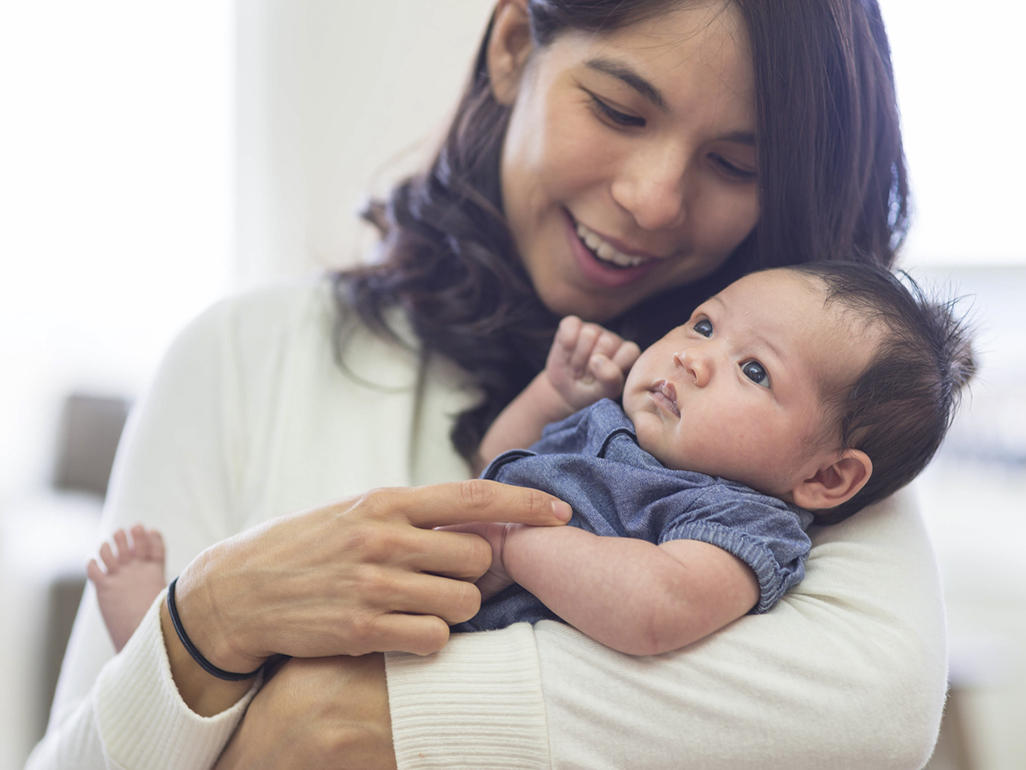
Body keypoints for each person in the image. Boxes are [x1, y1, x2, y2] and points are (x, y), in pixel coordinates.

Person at [28, 1, 948, 768]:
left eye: (736, 165)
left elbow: (875, 712)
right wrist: (207, 619)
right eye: (619, 111)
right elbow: (500, 468)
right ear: (512, 48)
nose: (653, 198)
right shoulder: (240, 354)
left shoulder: (802, 442)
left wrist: (345, 718)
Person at [86, 263, 973, 659]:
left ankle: (176, 657)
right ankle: (164, 643)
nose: (694, 357)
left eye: (753, 371)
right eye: (704, 324)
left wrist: (518, 541)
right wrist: (552, 395)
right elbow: (495, 459)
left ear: (826, 478)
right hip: (410, 588)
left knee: (304, 691)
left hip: (453, 648)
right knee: (293, 628)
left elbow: (658, 610)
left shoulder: (743, 521)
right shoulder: (612, 424)